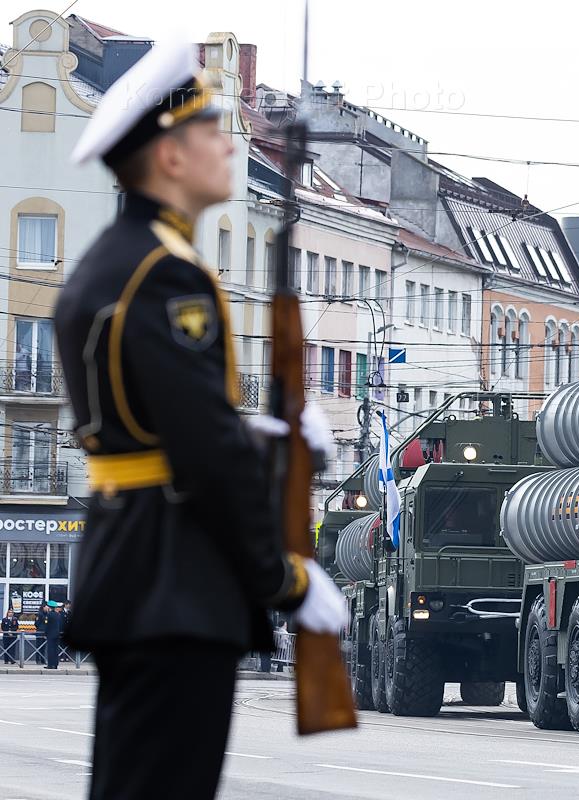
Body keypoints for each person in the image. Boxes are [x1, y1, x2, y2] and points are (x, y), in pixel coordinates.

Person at [55, 39, 347, 800]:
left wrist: (264, 432)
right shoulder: (165, 277)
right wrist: (285, 579)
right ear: (170, 156)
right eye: (211, 129)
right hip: (175, 576)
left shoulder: (116, 263)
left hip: (136, 563)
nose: (228, 144)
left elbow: (157, 424)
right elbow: (203, 455)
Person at [44, 602, 63, 670]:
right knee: (56, 650)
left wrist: (45, 634)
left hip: (50, 634)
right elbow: (61, 624)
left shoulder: (49, 614)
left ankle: (50, 665)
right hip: (57, 634)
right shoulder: (58, 615)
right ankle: (55, 665)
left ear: (49, 607)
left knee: (50, 650)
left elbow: (47, 625)